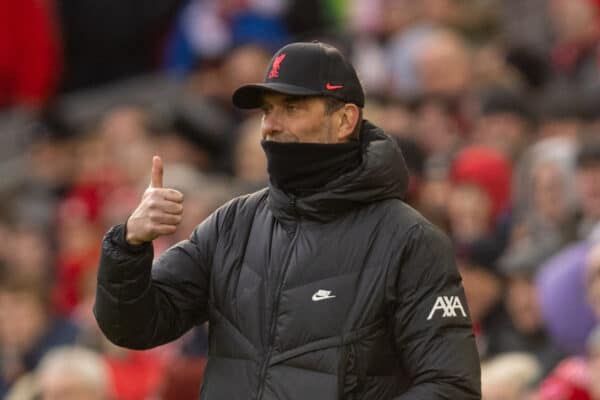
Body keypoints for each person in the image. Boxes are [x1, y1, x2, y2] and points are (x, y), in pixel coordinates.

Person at [94, 41, 481, 399]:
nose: (271, 124)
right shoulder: (232, 224)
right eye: (267, 110)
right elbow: (134, 326)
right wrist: (129, 245)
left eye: (292, 108)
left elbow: (450, 388)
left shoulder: (409, 239)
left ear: (346, 119)